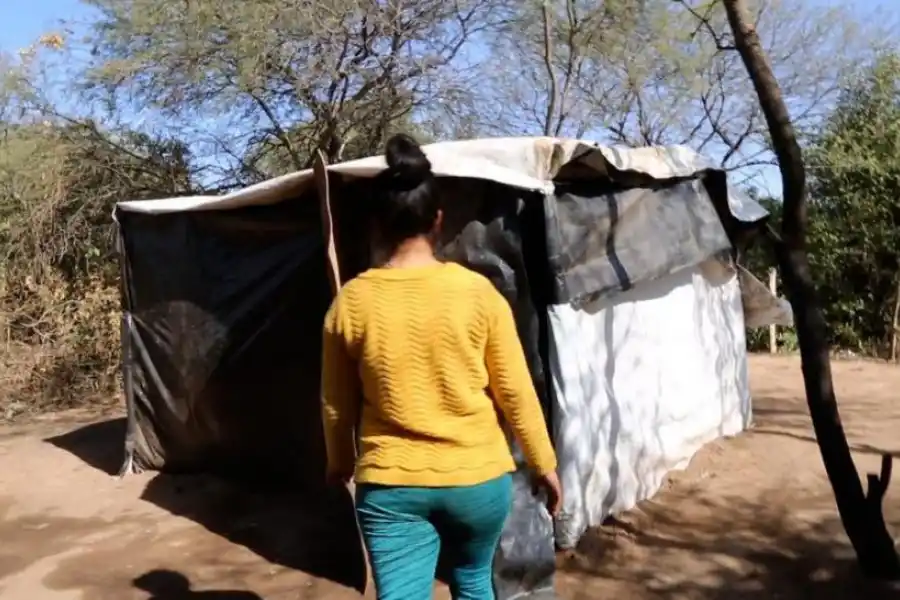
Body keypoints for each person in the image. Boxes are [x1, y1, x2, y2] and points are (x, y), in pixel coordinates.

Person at [320, 133, 562, 600]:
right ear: (437, 220)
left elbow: (336, 402)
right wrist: (544, 464)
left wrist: (339, 464)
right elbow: (514, 389)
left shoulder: (352, 302)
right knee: (473, 582)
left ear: (377, 223)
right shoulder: (477, 294)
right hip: (477, 481)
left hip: (392, 485)